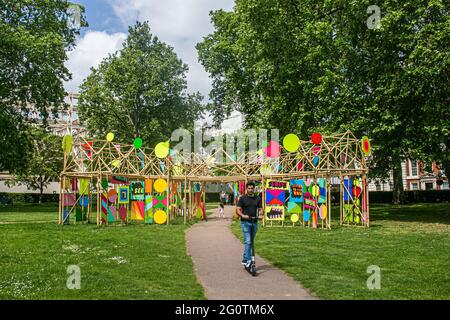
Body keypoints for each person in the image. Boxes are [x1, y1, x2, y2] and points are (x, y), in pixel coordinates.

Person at [237, 181, 262, 268]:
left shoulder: (258, 198)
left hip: (254, 222)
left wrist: (261, 215)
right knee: (248, 241)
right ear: (246, 188)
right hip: (245, 222)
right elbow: (238, 209)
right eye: (249, 188)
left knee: (250, 242)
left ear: (254, 188)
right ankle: (248, 260)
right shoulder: (243, 198)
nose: (250, 190)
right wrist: (243, 215)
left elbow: (260, 209)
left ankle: (244, 259)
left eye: (252, 188)